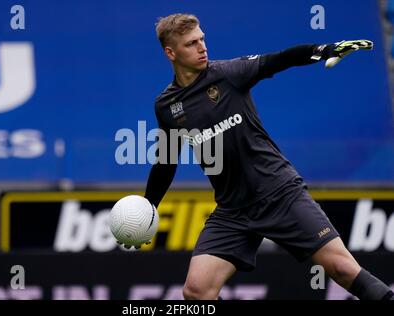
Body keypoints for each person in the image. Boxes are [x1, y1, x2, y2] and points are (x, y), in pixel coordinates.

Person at [143, 13, 393, 300]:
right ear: (170, 53)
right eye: (191, 44)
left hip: (280, 193)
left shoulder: (229, 73)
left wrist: (321, 50)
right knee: (196, 292)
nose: (202, 47)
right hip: (233, 210)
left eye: (202, 39)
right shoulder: (166, 106)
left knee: (342, 268)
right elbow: (166, 161)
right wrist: (150, 208)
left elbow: (279, 59)